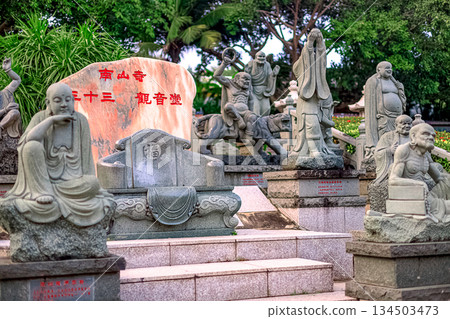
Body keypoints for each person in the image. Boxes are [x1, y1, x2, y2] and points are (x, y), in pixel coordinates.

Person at [5, 82, 114, 226]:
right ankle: (43, 192)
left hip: (72, 182)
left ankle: (53, 193)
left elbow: (87, 161)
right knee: (31, 147)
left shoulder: (80, 121)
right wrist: (51, 120)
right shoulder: (40, 118)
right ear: (48, 103)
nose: (64, 104)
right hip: (42, 185)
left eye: (68, 100)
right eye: (58, 100)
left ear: (73, 101)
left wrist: (92, 186)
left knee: (93, 183)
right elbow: (27, 140)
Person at [389, 123, 450, 222]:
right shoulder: (404, 150)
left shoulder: (425, 154)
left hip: (425, 195)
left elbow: (439, 178)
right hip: (412, 196)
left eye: (433, 135)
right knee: (447, 208)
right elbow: (392, 180)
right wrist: (419, 183)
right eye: (426, 134)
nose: (431, 137)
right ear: (413, 136)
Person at [291, 28, 334, 158]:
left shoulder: (317, 64)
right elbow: (306, 55)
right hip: (306, 103)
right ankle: (313, 150)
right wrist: (310, 43)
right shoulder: (299, 65)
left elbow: (322, 60)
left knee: (315, 126)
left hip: (315, 103)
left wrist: (320, 44)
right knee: (311, 125)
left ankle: (318, 149)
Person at [364, 61, 406, 156]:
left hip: (397, 117)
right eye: (386, 68)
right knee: (385, 139)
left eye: (390, 68)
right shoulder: (374, 81)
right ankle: (384, 155)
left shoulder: (394, 82)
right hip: (383, 117)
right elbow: (370, 103)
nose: (389, 70)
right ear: (379, 69)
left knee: (398, 138)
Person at [214, 55, 257, 145]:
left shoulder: (249, 88)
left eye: (248, 80)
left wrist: (251, 112)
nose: (247, 82)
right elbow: (216, 76)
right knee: (228, 106)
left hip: (245, 111)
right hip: (233, 110)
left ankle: (248, 136)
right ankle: (238, 120)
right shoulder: (230, 84)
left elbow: (251, 101)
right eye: (244, 79)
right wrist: (224, 64)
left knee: (253, 117)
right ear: (237, 79)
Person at [373, 115, 412, 184]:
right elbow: (377, 153)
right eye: (404, 123)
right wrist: (389, 150)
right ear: (396, 125)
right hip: (397, 166)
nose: (407, 126)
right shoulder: (387, 136)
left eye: (409, 123)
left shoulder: (414, 136)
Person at [244, 51, 280, 116]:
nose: (262, 58)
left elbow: (270, 76)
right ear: (256, 57)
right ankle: (255, 125)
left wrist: (274, 74)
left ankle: (263, 125)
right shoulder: (251, 63)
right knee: (255, 110)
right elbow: (247, 76)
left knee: (266, 110)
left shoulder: (267, 64)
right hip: (254, 91)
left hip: (264, 91)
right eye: (260, 56)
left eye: (263, 56)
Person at [0, 58, 21, 139]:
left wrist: (8, 70)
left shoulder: (5, 92)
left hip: (6, 122)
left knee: (15, 112)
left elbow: (17, 80)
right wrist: (5, 109)